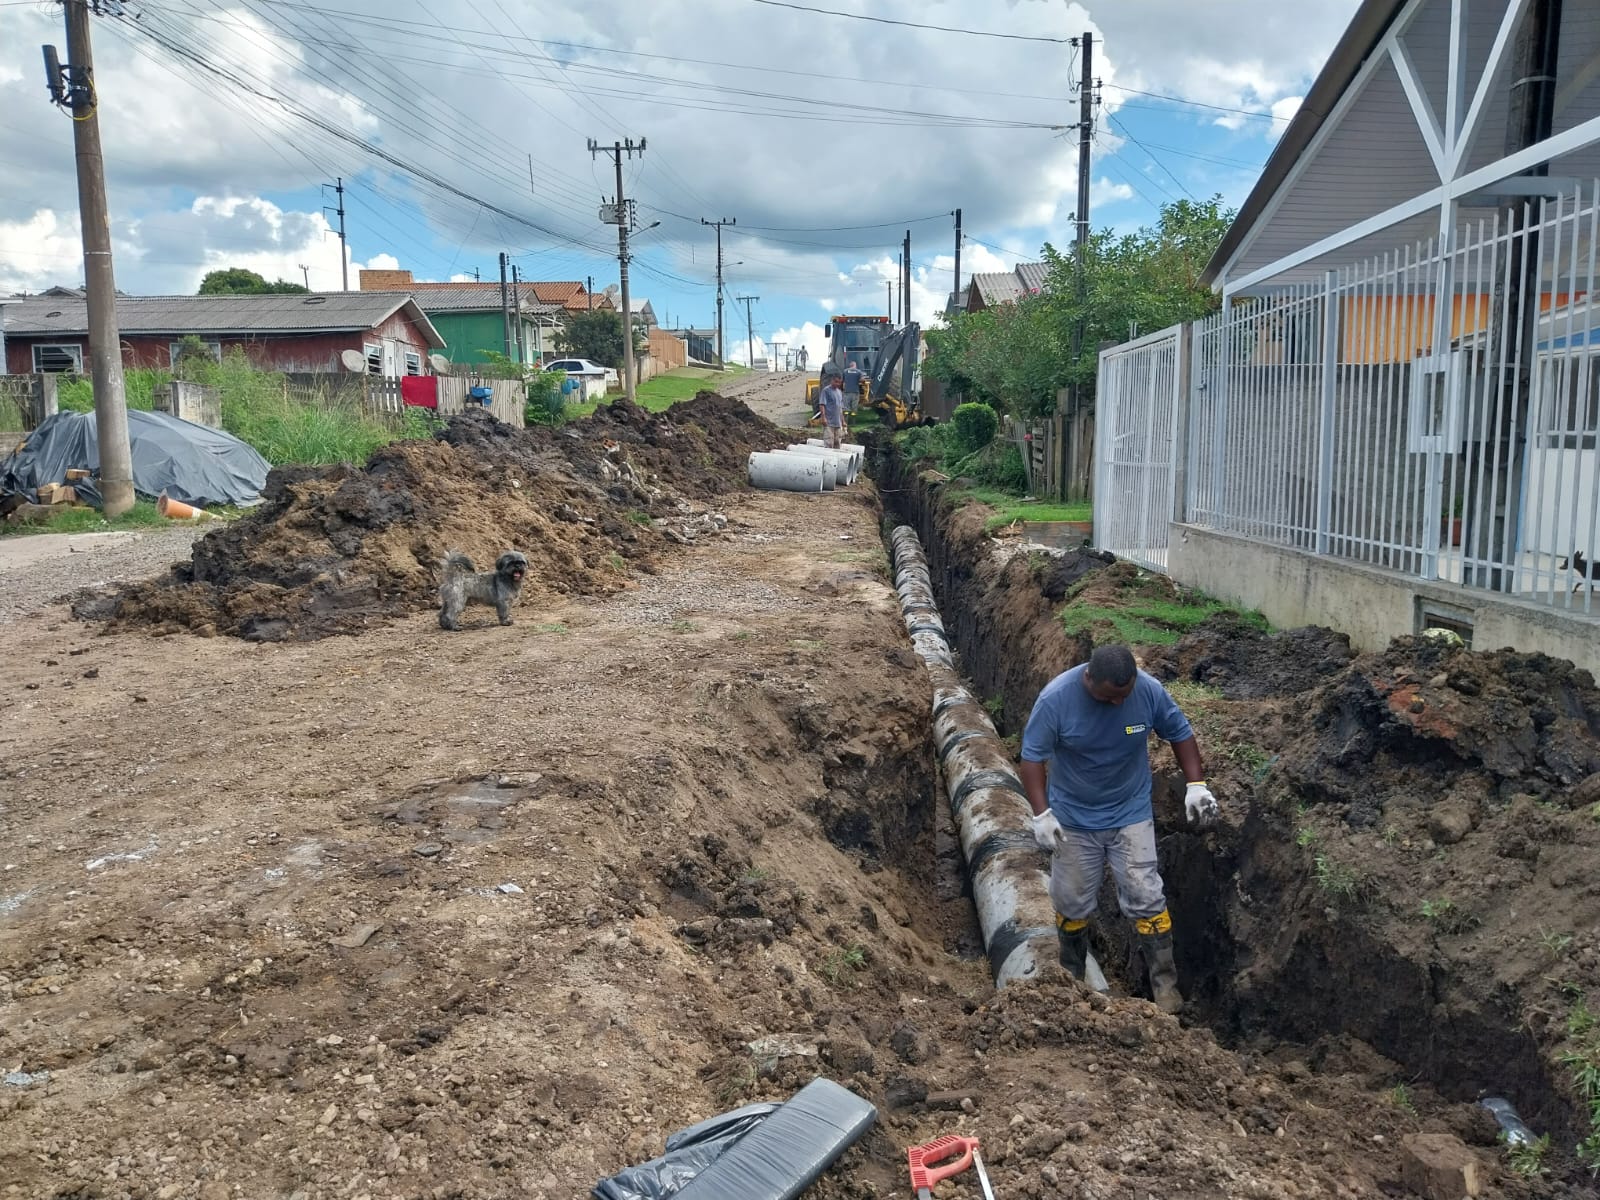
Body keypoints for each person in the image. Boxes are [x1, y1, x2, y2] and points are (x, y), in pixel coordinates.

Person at [1019, 644, 1219, 1013]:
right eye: (1109, 696)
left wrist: (1196, 785)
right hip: (1074, 819)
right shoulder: (1056, 700)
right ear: (1089, 678)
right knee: (1071, 900)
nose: (1118, 703)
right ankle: (1072, 977)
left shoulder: (1148, 691)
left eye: (1124, 696)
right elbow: (1032, 757)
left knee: (1146, 895)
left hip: (1130, 812)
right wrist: (1041, 813)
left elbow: (1179, 732)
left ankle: (1165, 987)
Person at [818, 372, 847, 449]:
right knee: (829, 444)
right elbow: (822, 404)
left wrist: (843, 421)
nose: (837, 384)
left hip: (838, 423)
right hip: (829, 423)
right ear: (832, 380)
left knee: (837, 444)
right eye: (836, 382)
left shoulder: (839, 392)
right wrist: (823, 418)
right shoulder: (826, 391)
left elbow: (840, 408)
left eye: (839, 382)